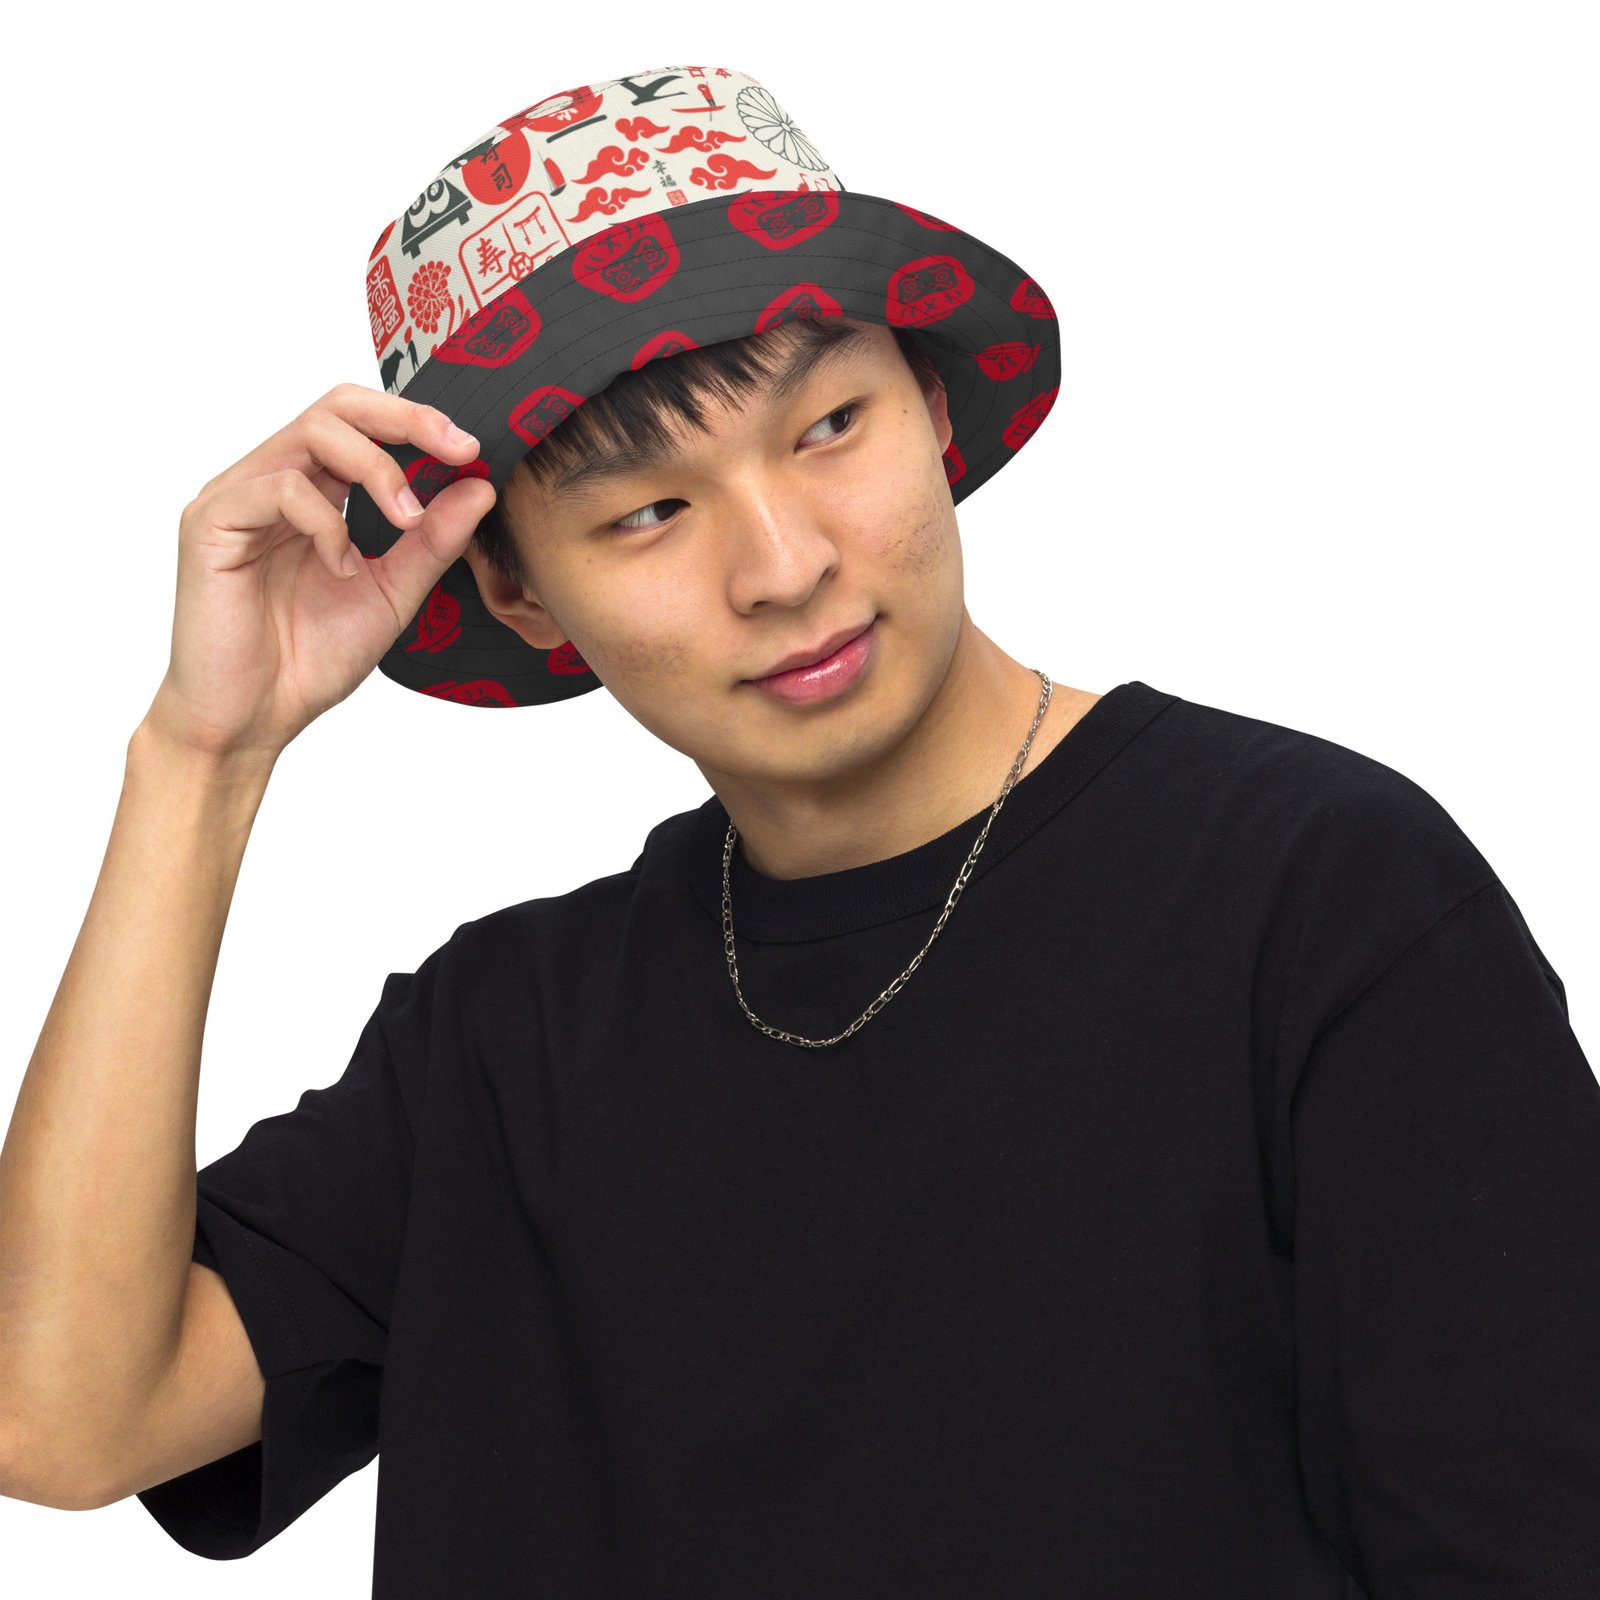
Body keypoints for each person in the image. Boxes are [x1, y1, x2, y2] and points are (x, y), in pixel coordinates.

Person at [3, 62, 1597, 1599]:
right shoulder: (501, 1042)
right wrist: (202, 755)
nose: (783, 566)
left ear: (930, 401)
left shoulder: (1320, 901)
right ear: (515, 588)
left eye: (829, 426)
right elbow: (57, 1418)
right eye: (648, 511)